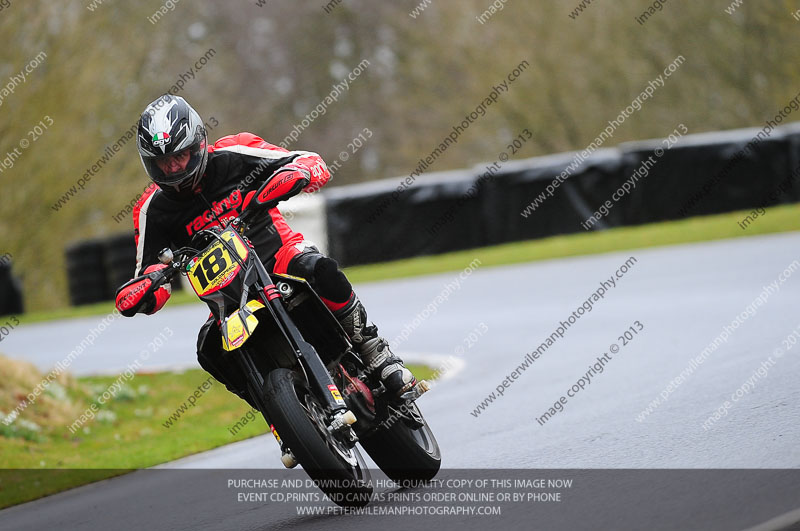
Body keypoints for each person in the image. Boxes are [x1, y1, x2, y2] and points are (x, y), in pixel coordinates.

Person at [114, 94, 416, 412]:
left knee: (320, 270)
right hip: (227, 302)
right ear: (149, 162)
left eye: (182, 156)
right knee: (208, 351)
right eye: (164, 162)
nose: (175, 167)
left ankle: (375, 351)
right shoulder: (150, 209)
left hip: (280, 258)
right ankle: (277, 410)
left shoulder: (235, 152)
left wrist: (298, 174)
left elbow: (307, 161)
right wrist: (146, 292)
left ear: (198, 144)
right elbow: (150, 272)